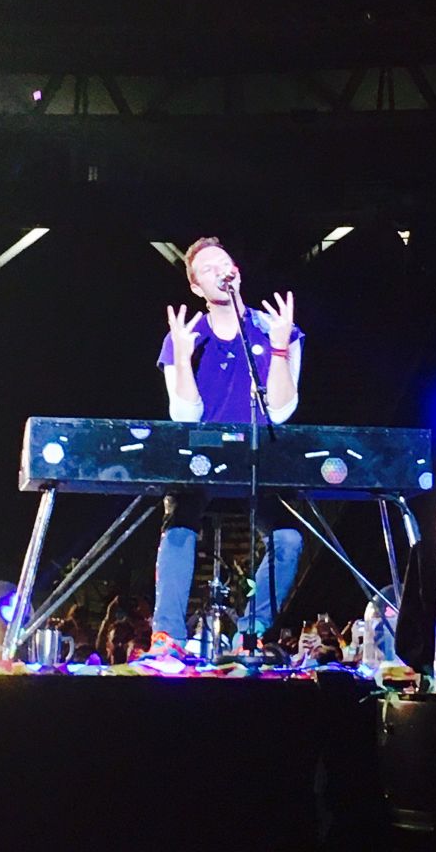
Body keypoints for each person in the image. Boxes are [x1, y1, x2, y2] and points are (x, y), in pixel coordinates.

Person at [150, 236, 305, 655]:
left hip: (258, 452)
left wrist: (279, 346)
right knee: (178, 525)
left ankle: (251, 632)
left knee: (289, 539)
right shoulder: (186, 336)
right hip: (201, 454)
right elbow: (185, 415)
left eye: (224, 263)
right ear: (196, 287)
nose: (220, 271)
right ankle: (167, 637)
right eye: (207, 268)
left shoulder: (275, 329)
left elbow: (281, 411)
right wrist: (183, 357)